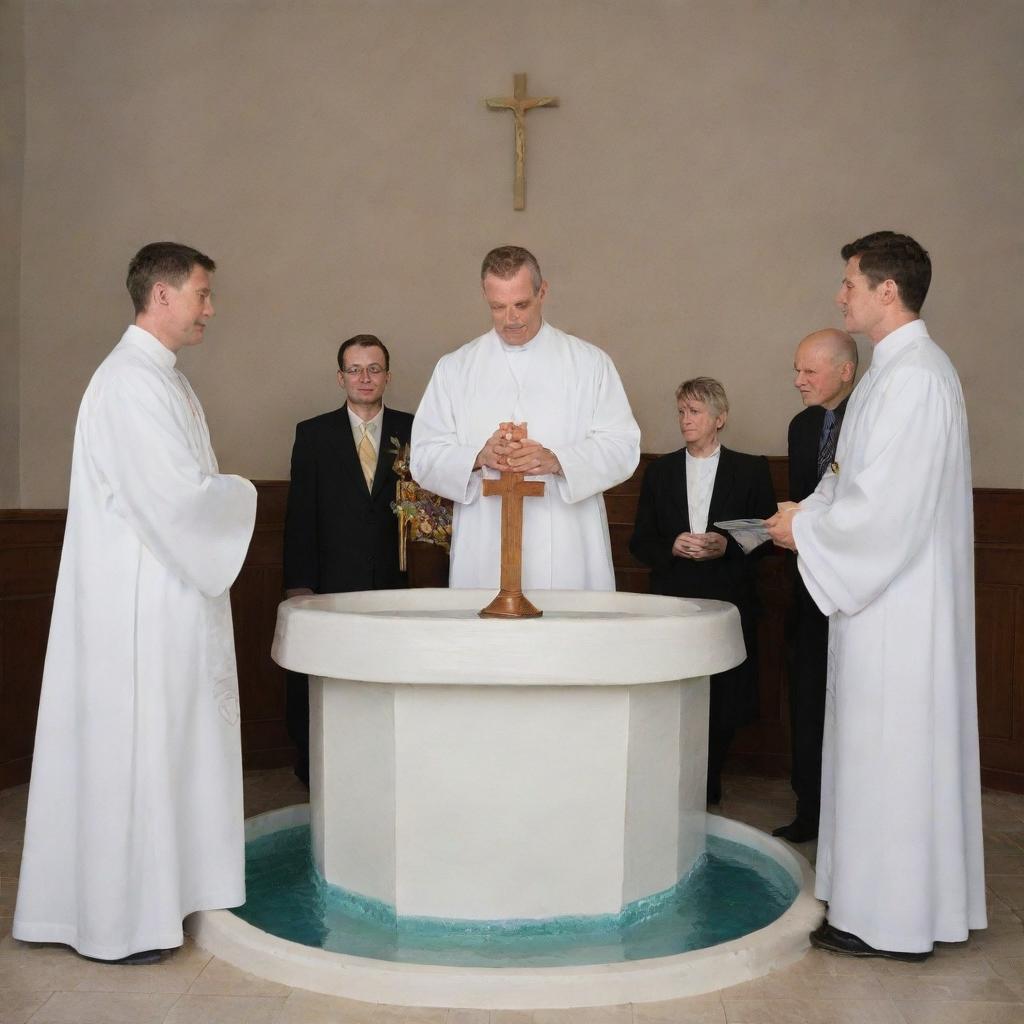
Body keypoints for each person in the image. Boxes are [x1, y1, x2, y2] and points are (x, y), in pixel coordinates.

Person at [13, 242, 257, 964]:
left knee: (165, 748)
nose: (210, 308)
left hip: (168, 596)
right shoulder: (129, 382)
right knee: (138, 750)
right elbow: (175, 499)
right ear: (162, 297)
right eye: (202, 294)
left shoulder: (160, 378)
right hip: (139, 609)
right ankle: (123, 921)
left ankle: (165, 898)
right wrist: (243, 494)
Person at [767, 231, 986, 961]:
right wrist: (809, 513)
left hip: (900, 609)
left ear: (887, 291)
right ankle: (868, 905)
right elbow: (849, 481)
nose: (842, 295)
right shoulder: (893, 374)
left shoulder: (918, 376)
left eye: (850, 283)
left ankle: (893, 920)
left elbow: (888, 507)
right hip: (879, 602)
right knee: (871, 757)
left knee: (893, 757)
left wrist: (812, 531)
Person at [411, 245, 640, 590]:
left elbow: (622, 447)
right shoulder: (455, 369)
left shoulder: (589, 364)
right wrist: (478, 456)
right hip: (485, 542)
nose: (510, 318)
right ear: (485, 297)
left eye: (521, 304)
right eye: (497, 307)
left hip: (568, 543)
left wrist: (557, 460)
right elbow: (425, 456)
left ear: (542, 291)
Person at [630, 378, 777, 805]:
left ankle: (708, 782)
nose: (685, 420)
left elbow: (767, 537)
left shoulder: (751, 469)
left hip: (729, 596)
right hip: (673, 596)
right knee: (676, 687)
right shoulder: (660, 471)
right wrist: (671, 546)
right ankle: (674, 781)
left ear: (720, 418)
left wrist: (725, 545)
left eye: (694, 411)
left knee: (725, 693)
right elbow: (640, 541)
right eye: (681, 411)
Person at [282, 334, 413, 784]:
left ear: (387, 376)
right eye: (355, 369)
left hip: (398, 580)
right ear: (341, 377)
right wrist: (300, 584)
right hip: (333, 579)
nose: (365, 377)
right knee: (333, 678)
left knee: (388, 673)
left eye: (374, 368)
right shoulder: (313, 434)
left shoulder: (413, 430)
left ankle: (388, 765)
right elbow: (300, 514)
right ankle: (322, 767)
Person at [773, 329, 858, 844]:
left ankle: (846, 815)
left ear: (845, 372)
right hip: (804, 586)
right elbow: (804, 499)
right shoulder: (802, 426)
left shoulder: (869, 420)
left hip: (851, 587)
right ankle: (809, 810)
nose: (798, 380)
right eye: (796, 370)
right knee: (805, 696)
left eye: (809, 371)